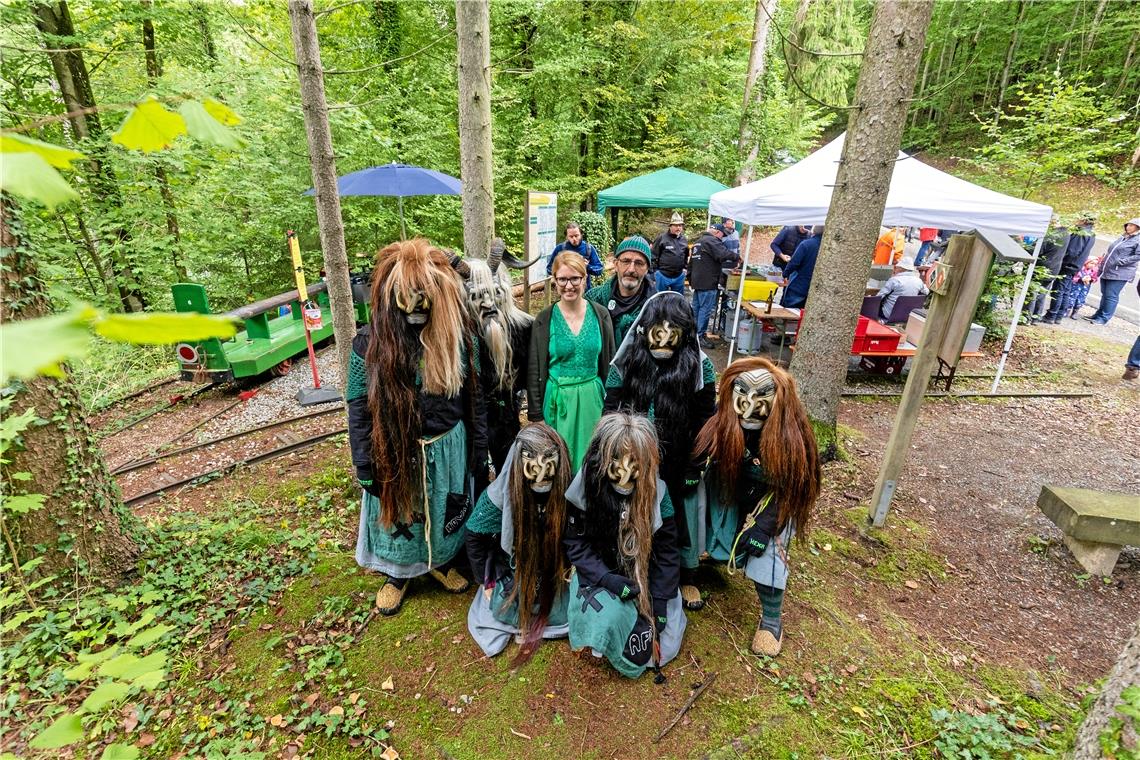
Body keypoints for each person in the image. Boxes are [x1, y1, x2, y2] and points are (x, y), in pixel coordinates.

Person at [347, 239, 489, 616]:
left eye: (425, 294)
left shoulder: (458, 338)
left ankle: (441, 563)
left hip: (447, 448)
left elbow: (475, 401)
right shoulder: (368, 344)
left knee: (446, 510)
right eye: (407, 294)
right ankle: (397, 574)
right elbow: (358, 406)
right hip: (396, 451)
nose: (416, 305)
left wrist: (478, 451)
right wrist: (364, 463)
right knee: (400, 517)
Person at [692, 357, 820, 657]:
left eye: (760, 400)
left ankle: (771, 618)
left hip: (773, 506)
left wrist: (764, 526)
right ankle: (711, 553)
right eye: (742, 399)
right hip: (733, 497)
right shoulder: (722, 422)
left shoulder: (793, 437)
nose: (749, 408)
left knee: (769, 552)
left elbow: (794, 490)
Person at [603, 291, 717, 610]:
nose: (664, 340)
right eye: (658, 331)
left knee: (682, 516)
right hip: (632, 460)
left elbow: (706, 420)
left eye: (673, 333)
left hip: (679, 461)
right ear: (645, 328)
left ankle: (687, 575)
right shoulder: (626, 363)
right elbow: (610, 412)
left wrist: (696, 465)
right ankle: (632, 565)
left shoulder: (700, 367)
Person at [563, 412, 686, 679]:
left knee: (666, 640)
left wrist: (661, 601)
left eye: (635, 462)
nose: (625, 472)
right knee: (609, 620)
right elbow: (575, 543)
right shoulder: (586, 486)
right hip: (598, 575)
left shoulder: (657, 494)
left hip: (644, 577)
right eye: (617, 460)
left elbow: (667, 551)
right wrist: (606, 579)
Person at [465, 423, 572, 659]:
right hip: (513, 569)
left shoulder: (568, 493)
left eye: (549, 464)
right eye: (533, 467)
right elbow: (474, 535)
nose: (542, 476)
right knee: (505, 607)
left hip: (554, 570)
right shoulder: (498, 496)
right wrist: (486, 582)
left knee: (563, 611)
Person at [528, 251, 616, 470]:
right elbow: (534, 367)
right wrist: (536, 415)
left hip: (592, 402)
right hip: (557, 404)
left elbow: (611, 365)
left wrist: (612, 408)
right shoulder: (544, 319)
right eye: (563, 279)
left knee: (591, 463)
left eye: (575, 278)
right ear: (554, 280)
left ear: (584, 279)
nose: (569, 285)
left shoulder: (601, 315)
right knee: (558, 464)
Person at [459, 244, 534, 487]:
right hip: (471, 419)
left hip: (506, 414)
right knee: (474, 470)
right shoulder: (460, 336)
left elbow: (530, 374)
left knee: (509, 467)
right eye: (479, 296)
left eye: (494, 294)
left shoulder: (522, 328)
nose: (488, 304)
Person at [586, 235, 656, 345]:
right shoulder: (593, 300)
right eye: (626, 261)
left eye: (639, 263)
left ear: (647, 268)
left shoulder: (657, 307)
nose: (631, 269)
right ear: (616, 264)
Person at [1043, 212, 1097, 324]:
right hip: (1075, 265)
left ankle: (1052, 315)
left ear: (1084, 220)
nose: (1076, 219)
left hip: (1068, 265)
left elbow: (1073, 251)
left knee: (1058, 290)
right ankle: (1059, 315)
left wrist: (1063, 260)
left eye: (1079, 218)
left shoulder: (1082, 233)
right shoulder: (1090, 233)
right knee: (1065, 291)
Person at [688, 223, 735, 349]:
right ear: (718, 233)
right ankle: (700, 336)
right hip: (708, 282)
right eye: (722, 235)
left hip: (697, 282)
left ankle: (693, 336)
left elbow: (691, 263)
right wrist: (738, 258)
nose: (722, 238)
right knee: (705, 310)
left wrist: (690, 278)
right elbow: (723, 254)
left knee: (696, 310)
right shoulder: (712, 241)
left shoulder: (699, 242)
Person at [1087, 218, 1140, 325]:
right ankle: (1098, 314)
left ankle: (1104, 318)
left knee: (1111, 295)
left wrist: (1121, 262)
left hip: (1120, 273)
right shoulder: (1123, 237)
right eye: (1127, 225)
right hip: (1108, 269)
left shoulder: (1138, 239)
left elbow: (1138, 255)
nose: (1128, 227)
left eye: (1131, 225)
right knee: (1105, 294)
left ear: (1137, 227)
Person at [1029, 216, 1071, 323]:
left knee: (1032, 293)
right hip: (1054, 268)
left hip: (1042, 267)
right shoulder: (1066, 234)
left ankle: (1027, 317)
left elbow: (1037, 250)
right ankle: (1036, 317)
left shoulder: (1050, 235)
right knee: (1042, 293)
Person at [780, 225, 823, 310]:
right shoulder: (829, 247)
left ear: (813, 231)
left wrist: (785, 274)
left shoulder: (806, 244)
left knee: (789, 314)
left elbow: (794, 263)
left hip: (799, 285)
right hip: (817, 288)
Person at [651, 212, 689, 294]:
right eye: (676, 225)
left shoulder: (684, 240)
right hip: (663, 275)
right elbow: (653, 255)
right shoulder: (662, 238)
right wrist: (655, 271)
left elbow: (686, 255)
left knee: (677, 299)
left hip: (679, 276)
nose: (678, 228)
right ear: (670, 226)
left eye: (680, 225)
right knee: (660, 298)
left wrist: (685, 268)